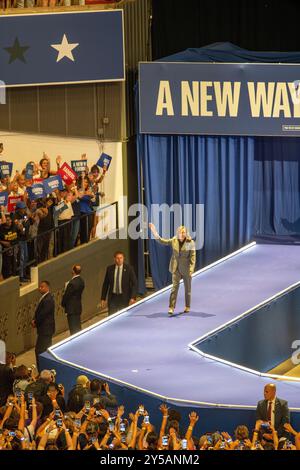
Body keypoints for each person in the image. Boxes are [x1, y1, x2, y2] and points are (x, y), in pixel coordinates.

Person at [149, 224, 196, 315]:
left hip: (186, 268)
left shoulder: (190, 243)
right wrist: (154, 232)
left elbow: (193, 257)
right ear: (177, 233)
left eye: (183, 232)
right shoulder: (174, 240)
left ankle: (187, 306)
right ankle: (171, 307)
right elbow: (163, 241)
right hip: (175, 267)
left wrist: (191, 269)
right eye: (180, 232)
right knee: (174, 288)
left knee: (188, 289)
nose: (181, 234)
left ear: (186, 233)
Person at [101, 251, 137, 316]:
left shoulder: (129, 269)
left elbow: (134, 284)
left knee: (123, 317)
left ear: (123, 258)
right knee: (112, 317)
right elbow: (105, 284)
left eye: (121, 258)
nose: (119, 260)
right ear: (114, 259)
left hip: (124, 298)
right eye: (117, 258)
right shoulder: (109, 269)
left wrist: (133, 297)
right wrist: (103, 298)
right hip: (113, 298)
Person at [31, 281, 55, 371]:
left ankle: (42, 371)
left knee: (40, 351)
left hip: (46, 330)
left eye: (42, 287)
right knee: (43, 350)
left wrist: (35, 322)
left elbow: (43, 314)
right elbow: (39, 312)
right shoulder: (44, 298)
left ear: (47, 287)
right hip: (44, 330)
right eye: (39, 287)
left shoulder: (48, 299)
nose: (39, 288)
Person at [61, 264, 85, 335]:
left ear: (73, 271)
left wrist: (63, 303)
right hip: (77, 307)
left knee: (73, 329)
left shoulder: (72, 283)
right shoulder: (81, 281)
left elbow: (67, 295)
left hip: (71, 309)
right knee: (77, 327)